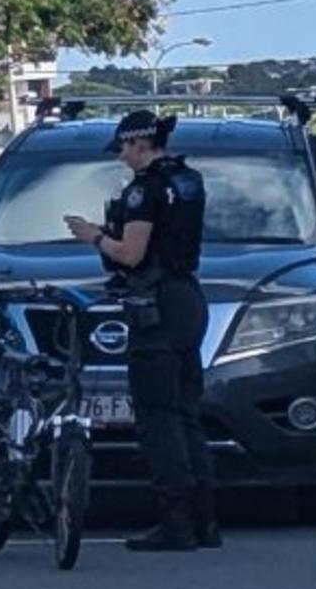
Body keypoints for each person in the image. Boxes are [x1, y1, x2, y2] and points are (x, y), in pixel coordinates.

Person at [66, 110, 218, 552]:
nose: (120, 157)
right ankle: (205, 520)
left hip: (156, 307)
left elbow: (131, 254)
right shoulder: (188, 180)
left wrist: (94, 235)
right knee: (187, 414)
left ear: (139, 144)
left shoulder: (144, 191)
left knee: (158, 418)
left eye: (122, 148)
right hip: (188, 298)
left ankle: (176, 522)